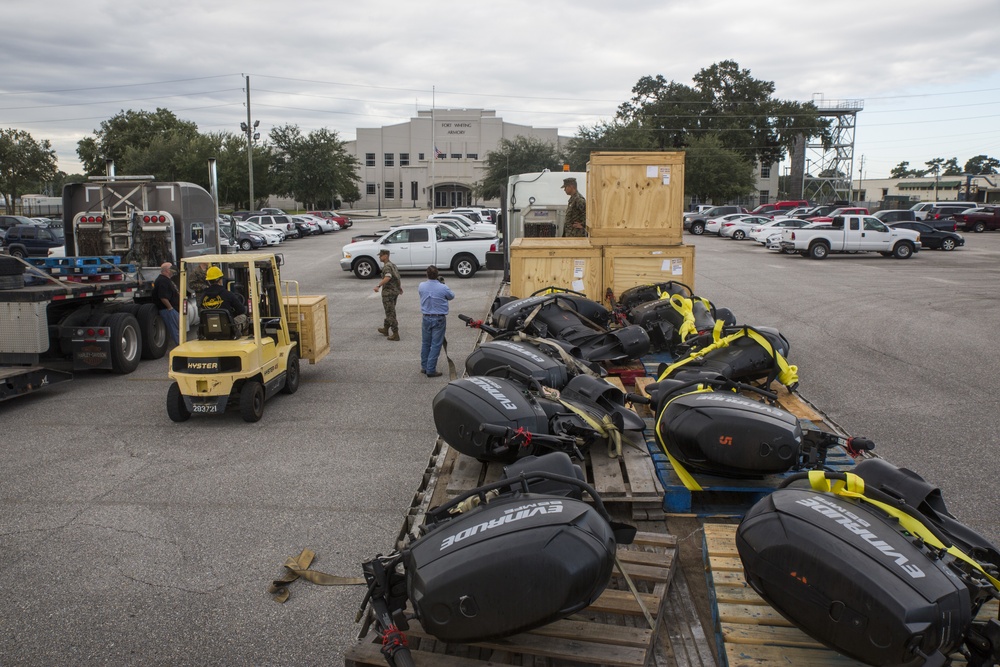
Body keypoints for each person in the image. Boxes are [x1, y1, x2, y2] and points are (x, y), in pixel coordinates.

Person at [417, 266, 455, 377]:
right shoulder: (443, 287)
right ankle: (431, 369)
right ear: (437, 275)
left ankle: (424, 366)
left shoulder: (421, 286)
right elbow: (451, 296)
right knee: (436, 344)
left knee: (425, 343)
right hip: (439, 318)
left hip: (426, 317)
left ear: (426, 274)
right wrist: (442, 284)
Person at [200, 265, 248, 335]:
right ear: (220, 280)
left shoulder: (203, 296)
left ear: (208, 281)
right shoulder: (228, 294)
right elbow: (241, 310)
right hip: (227, 328)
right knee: (244, 317)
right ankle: (239, 337)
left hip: (209, 328)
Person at [374, 249, 402, 341]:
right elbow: (397, 277)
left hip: (388, 293)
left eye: (381, 255)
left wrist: (378, 285)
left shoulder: (387, 267)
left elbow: (388, 277)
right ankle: (386, 328)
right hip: (394, 292)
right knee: (390, 310)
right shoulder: (393, 265)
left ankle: (395, 334)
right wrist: (399, 287)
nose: (379, 257)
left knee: (390, 313)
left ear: (386, 256)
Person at [152, 262, 181, 345]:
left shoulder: (167, 280)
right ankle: (180, 347)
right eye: (172, 268)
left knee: (178, 328)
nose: (174, 270)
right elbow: (163, 297)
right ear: (167, 270)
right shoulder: (162, 281)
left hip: (172, 309)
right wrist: (170, 308)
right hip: (168, 310)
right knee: (175, 330)